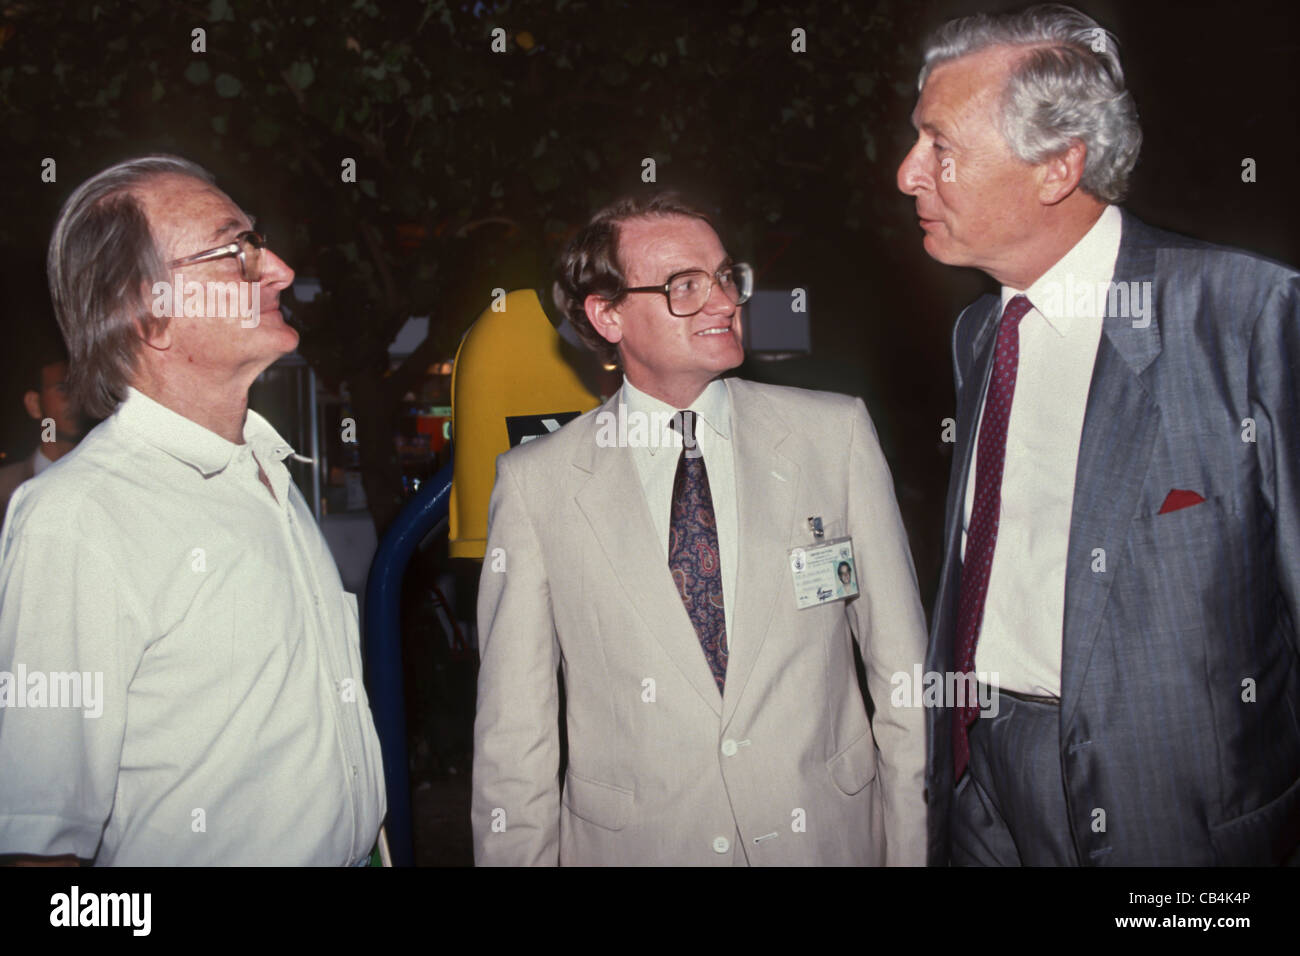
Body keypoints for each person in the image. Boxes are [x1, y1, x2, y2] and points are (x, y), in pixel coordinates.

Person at [897, 5, 1300, 864]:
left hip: (1173, 812)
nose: (907, 174)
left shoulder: (1245, 314)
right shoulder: (978, 334)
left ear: (1056, 167)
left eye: (939, 146)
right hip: (980, 784)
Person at [471, 192, 928, 865]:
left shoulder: (835, 436)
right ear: (608, 314)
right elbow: (515, 735)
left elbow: (904, 678)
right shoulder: (537, 484)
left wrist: (913, 850)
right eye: (685, 285)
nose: (721, 301)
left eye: (724, 276)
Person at [0, 155, 386, 865]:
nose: (278, 269)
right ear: (148, 315)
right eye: (233, 252)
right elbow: (40, 844)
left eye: (257, 242)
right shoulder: (79, 518)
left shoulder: (266, 466)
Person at [0, 337, 82, 516]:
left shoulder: (109, 478)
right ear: (34, 404)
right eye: (63, 389)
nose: (77, 398)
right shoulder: (5, 489)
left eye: (82, 388)